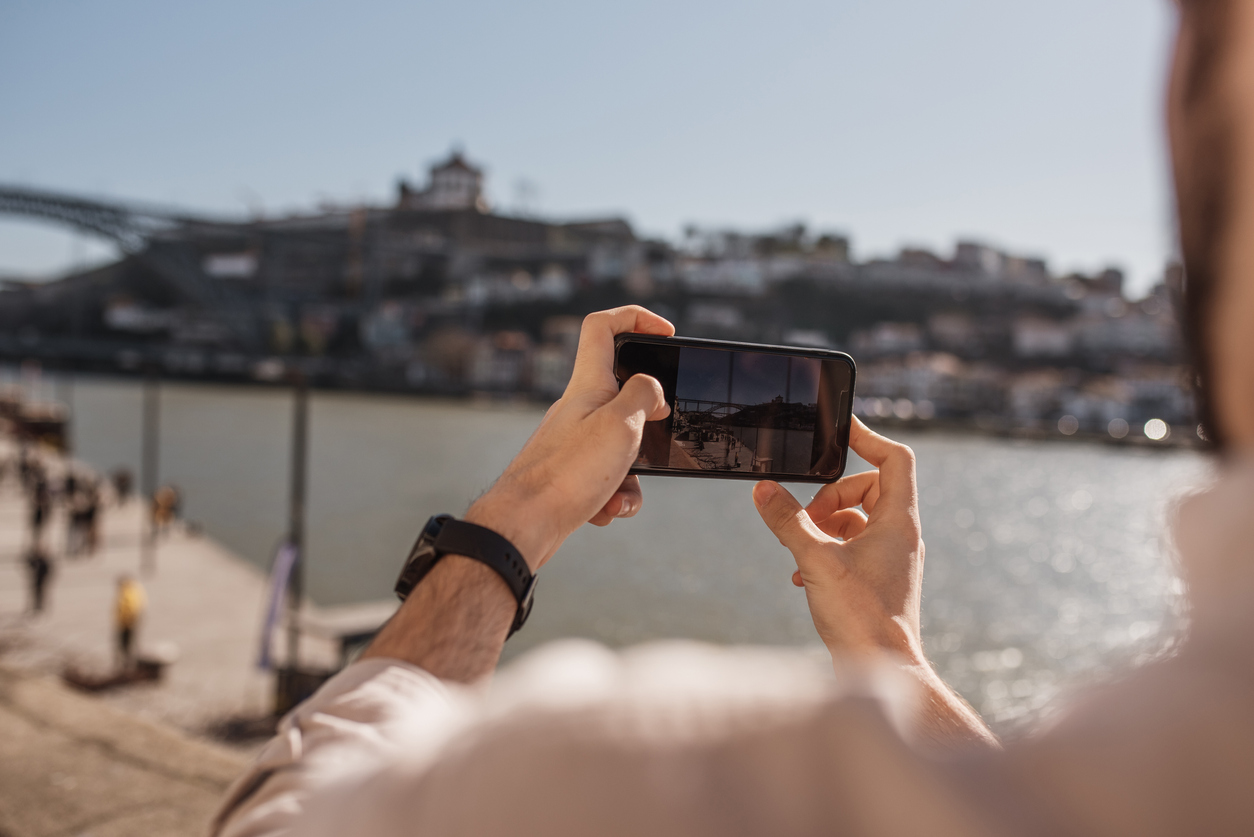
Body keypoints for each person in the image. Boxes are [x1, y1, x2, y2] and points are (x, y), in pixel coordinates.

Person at [215, 4, 1254, 835]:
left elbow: (280, 815)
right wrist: (890, 651)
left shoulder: (642, 773)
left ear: (1187, 93)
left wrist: (521, 511)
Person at [114, 575, 145, 672]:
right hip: (127, 624)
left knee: (125, 646)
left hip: (126, 625)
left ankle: (127, 666)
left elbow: (130, 609)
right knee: (129, 645)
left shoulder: (128, 592)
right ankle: (129, 665)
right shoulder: (134, 590)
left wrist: (128, 622)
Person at [25, 547, 52, 614]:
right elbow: (30, 565)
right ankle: (35, 606)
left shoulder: (43, 561)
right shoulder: (36, 560)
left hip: (41, 580)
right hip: (36, 580)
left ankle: (40, 606)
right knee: (34, 593)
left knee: (41, 594)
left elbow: (47, 571)